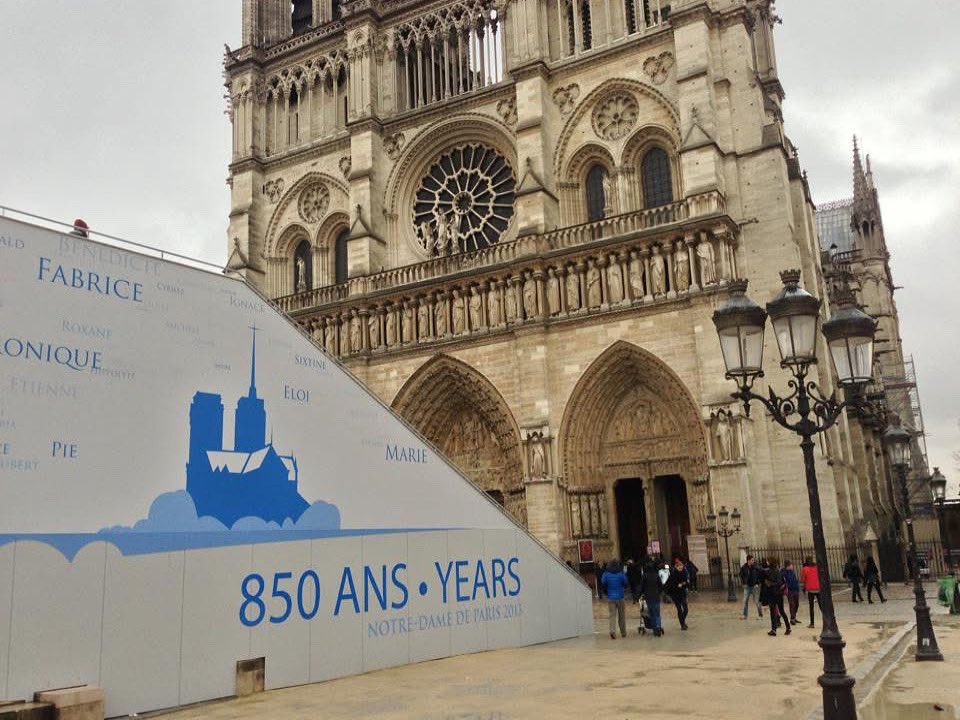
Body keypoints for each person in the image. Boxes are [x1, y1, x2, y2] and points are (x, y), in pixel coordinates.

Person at [762, 556, 790, 637]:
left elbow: (778, 582)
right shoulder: (776, 571)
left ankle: (776, 629)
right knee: (779, 611)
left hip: (773, 593)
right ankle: (784, 628)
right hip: (777, 593)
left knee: (776, 611)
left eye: (768, 561)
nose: (766, 562)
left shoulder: (772, 572)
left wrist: (770, 584)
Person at [601, 559, 629, 639]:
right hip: (620, 597)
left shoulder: (606, 574)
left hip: (611, 597)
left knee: (612, 615)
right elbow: (626, 582)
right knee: (621, 616)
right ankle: (623, 632)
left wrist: (606, 592)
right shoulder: (620, 573)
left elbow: (603, 583)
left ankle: (612, 631)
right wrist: (623, 587)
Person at [639, 559, 664, 636]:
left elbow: (641, 587)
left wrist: (640, 594)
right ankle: (658, 627)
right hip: (656, 596)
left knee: (652, 614)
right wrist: (658, 592)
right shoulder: (656, 575)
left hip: (648, 597)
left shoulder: (644, 576)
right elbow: (661, 586)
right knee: (657, 614)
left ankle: (655, 629)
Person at [664, 556, 690, 630]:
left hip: (682, 593)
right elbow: (669, 584)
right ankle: (682, 625)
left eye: (681, 567)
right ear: (676, 567)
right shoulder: (673, 574)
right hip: (675, 594)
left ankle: (682, 621)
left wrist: (683, 584)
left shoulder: (685, 573)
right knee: (679, 609)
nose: (680, 568)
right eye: (679, 567)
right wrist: (676, 585)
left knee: (686, 609)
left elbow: (688, 582)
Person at [801, 556, 823, 628]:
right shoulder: (817, 568)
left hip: (810, 589)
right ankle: (826, 620)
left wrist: (804, 588)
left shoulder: (805, 569)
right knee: (821, 606)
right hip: (818, 588)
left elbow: (803, 579)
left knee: (811, 607)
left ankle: (812, 623)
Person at [740, 554, 763, 619]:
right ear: (748, 560)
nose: (753, 561)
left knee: (757, 601)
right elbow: (741, 576)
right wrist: (743, 583)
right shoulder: (744, 568)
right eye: (752, 560)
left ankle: (760, 615)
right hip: (747, 586)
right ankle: (745, 615)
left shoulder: (756, 568)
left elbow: (759, 575)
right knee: (745, 600)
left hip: (754, 586)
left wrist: (758, 583)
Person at [781, 560, 801, 625]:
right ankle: (792, 618)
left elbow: (795, 579)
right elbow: (784, 581)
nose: (792, 566)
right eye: (791, 565)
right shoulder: (784, 573)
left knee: (796, 604)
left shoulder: (792, 572)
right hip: (790, 590)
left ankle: (794, 617)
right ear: (788, 566)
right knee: (792, 604)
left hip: (795, 589)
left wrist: (797, 587)